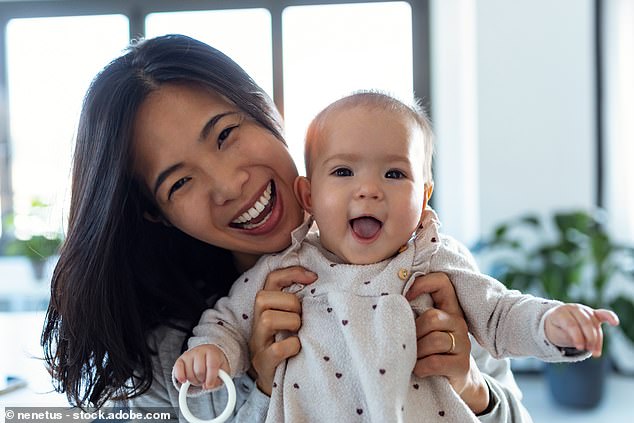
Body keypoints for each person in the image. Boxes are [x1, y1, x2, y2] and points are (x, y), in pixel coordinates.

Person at [41, 34, 533, 422]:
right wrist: (259, 387)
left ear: (265, 109)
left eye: (227, 134)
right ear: (156, 213)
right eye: (181, 181)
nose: (229, 185)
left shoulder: (415, 261)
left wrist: (469, 386)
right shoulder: (166, 356)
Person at [175, 91, 620, 422]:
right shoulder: (286, 270)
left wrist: (549, 324)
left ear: (425, 198)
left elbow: (501, 314)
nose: (368, 189)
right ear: (308, 195)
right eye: (344, 171)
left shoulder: (436, 261)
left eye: (394, 173)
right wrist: (212, 352)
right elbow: (227, 321)